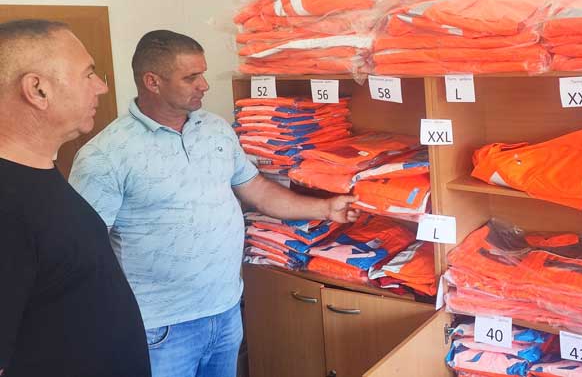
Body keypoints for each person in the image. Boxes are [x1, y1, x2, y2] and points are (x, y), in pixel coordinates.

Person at [69, 30, 359, 377]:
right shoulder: (105, 155)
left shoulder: (216, 129)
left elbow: (256, 189)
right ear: (152, 82)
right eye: (191, 77)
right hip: (159, 328)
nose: (204, 85)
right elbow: (83, 251)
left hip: (225, 312)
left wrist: (325, 209)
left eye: (203, 74)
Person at [0, 19, 150, 377]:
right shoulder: (6, 204)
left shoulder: (39, 173)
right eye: (88, 74)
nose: (101, 87)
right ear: (38, 90)